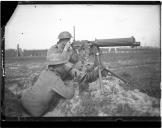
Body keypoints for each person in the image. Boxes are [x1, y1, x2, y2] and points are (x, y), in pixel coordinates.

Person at [20, 31, 107, 117]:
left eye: (69, 40)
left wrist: (79, 50)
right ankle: (88, 78)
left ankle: (95, 74)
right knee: (78, 76)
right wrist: (65, 51)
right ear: (60, 40)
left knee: (83, 69)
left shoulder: (70, 49)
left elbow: (76, 60)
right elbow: (56, 62)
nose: (68, 42)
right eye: (66, 40)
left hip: (65, 71)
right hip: (60, 71)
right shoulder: (52, 49)